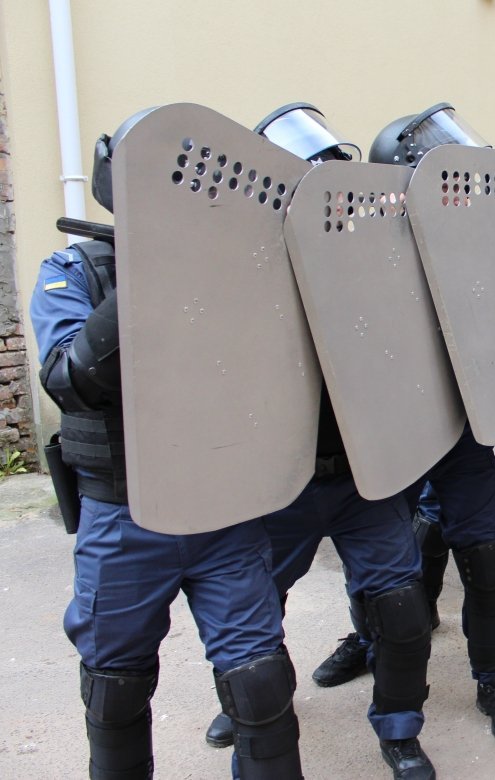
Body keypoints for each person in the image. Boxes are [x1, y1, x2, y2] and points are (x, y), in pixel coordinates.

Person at [31, 110, 303, 778]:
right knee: (115, 688)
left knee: (260, 684)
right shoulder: (76, 271)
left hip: (224, 507)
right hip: (125, 513)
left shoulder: (239, 267)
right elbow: (70, 379)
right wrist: (152, 268)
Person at [200, 103, 437, 780]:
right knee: (253, 616)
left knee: (401, 608)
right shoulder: (238, 267)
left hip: (364, 475)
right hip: (280, 481)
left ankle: (399, 729)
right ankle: (248, 710)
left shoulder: (374, 253)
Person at [368, 106, 495, 746]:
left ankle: (493, 678)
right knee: (382, 569)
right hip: (395, 430)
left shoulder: (473, 236)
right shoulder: (360, 241)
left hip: (463, 427)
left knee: (485, 554)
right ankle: (368, 648)